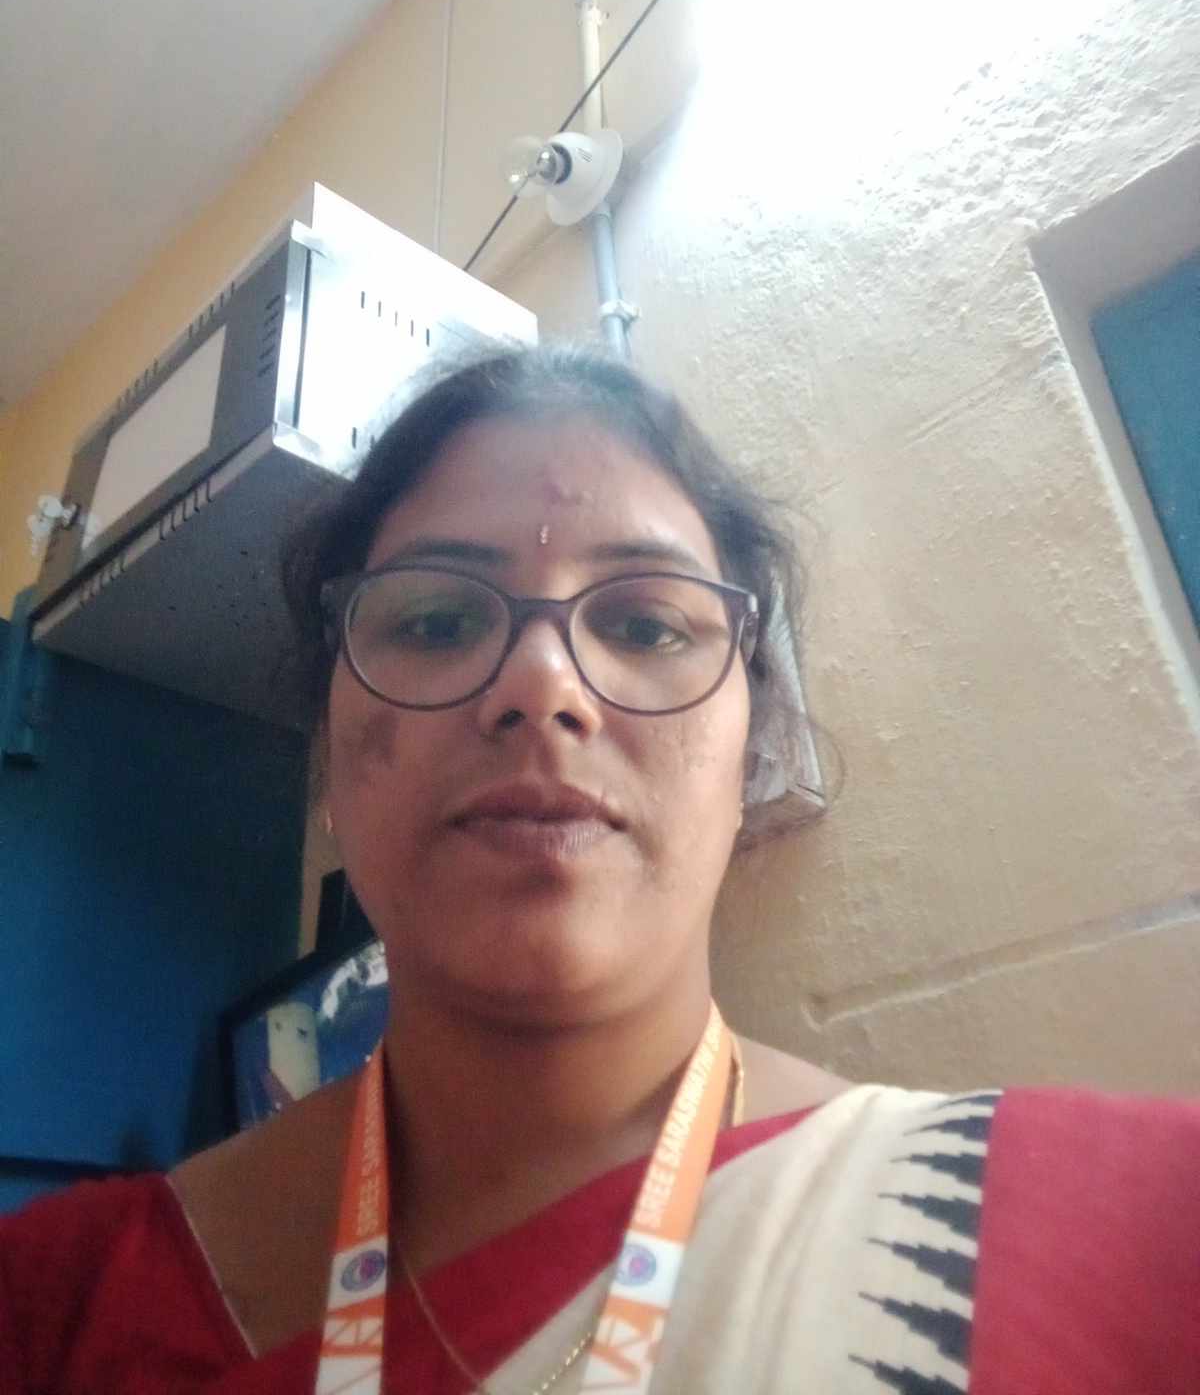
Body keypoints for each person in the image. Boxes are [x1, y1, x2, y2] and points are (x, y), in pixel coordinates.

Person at [1, 345, 1196, 1394]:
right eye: (435, 622)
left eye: (644, 625)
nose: (543, 685)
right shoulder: (50, 1315)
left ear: (753, 749)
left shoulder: (1130, 1241)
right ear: (329, 755)